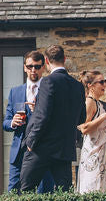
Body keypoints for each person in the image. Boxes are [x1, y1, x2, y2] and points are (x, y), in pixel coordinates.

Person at [19, 44, 85, 192]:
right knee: (64, 194)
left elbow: (43, 115)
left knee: (25, 190)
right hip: (65, 148)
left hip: (42, 147)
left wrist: (31, 140)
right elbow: (81, 118)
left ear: (47, 61)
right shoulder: (78, 86)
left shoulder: (48, 82)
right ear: (65, 59)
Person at [4, 51, 54, 193]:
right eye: (30, 66)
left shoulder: (50, 90)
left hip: (42, 151)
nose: (33, 70)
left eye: (37, 67)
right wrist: (13, 122)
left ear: (43, 67)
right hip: (19, 151)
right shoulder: (15, 92)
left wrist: (37, 111)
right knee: (14, 193)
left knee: (43, 195)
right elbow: (5, 123)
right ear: (24, 67)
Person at [76, 70, 106, 193]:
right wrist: (105, 116)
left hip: (102, 154)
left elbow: (98, 130)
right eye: (101, 82)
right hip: (93, 154)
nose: (104, 85)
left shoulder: (98, 103)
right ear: (90, 86)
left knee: (102, 189)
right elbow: (84, 128)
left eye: (105, 81)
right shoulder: (89, 102)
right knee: (93, 188)